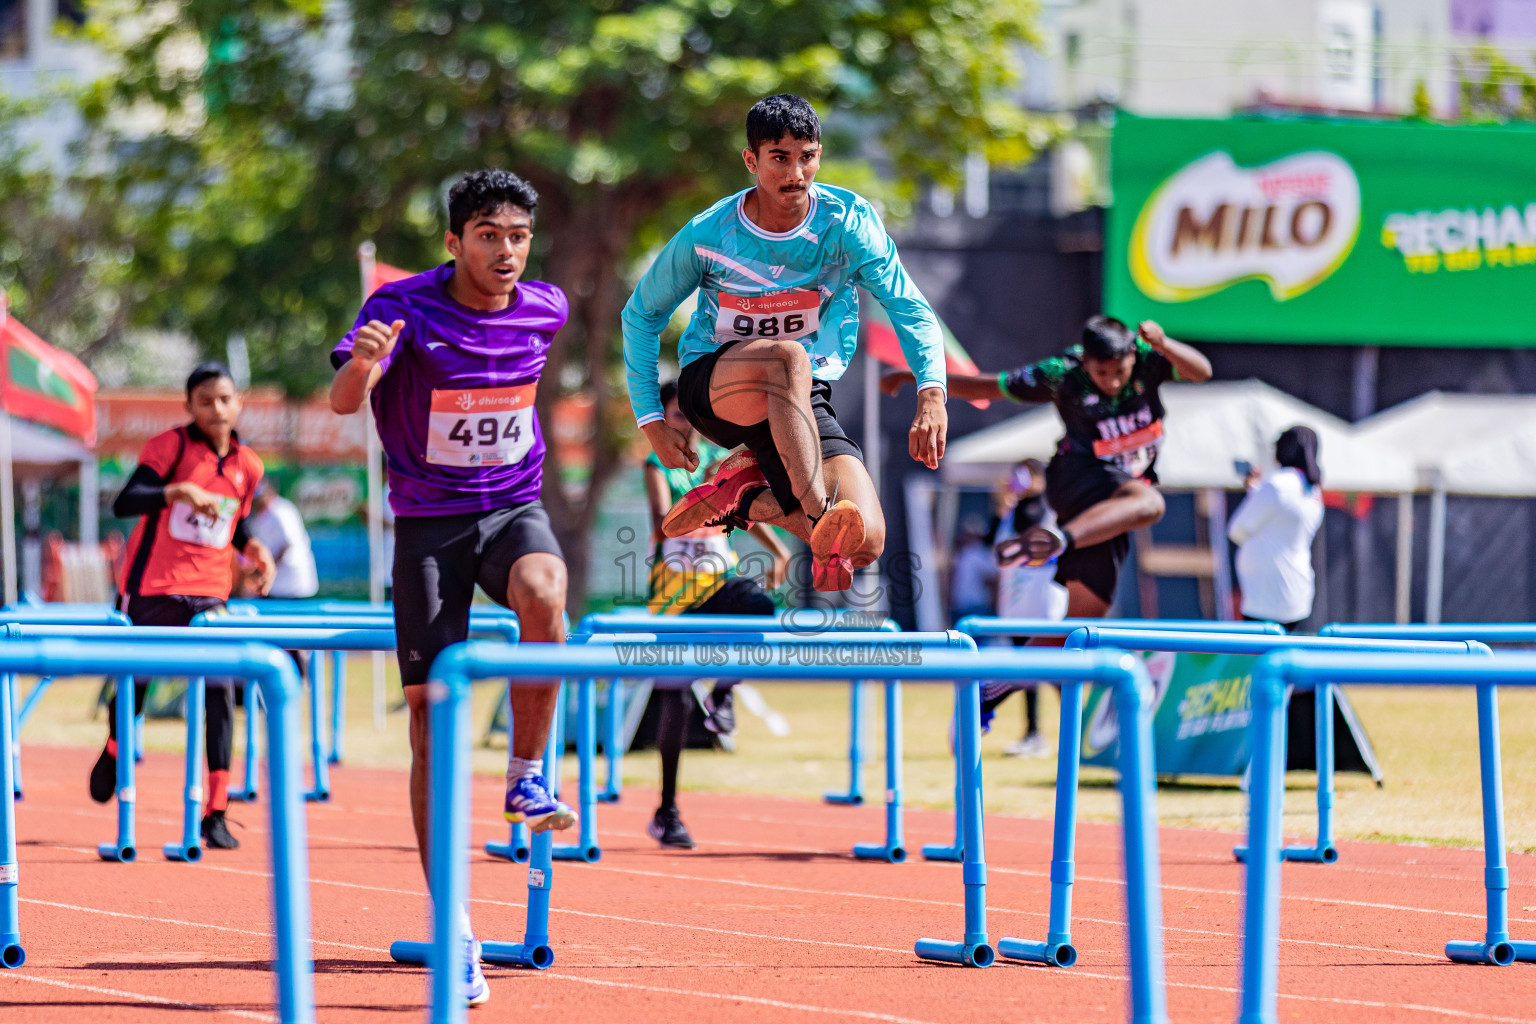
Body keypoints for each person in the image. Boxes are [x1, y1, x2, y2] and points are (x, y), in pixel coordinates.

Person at [328, 169, 573, 1008]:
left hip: (512, 507)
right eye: (488, 236)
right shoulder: (400, 308)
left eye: (518, 237)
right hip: (430, 528)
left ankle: (528, 773)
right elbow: (340, 402)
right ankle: (457, 927)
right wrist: (364, 367)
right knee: (432, 727)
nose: (505, 252)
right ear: (453, 242)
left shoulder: (548, 307)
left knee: (547, 591)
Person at [621, 93, 948, 593]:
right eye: (780, 158)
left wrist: (931, 392)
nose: (796, 172)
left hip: (799, 398)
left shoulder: (847, 224)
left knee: (868, 541)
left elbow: (909, 305)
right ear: (752, 160)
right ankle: (820, 514)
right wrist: (651, 419)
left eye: (808, 156)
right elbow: (641, 315)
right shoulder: (710, 233)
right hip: (715, 386)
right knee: (788, 356)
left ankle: (742, 497)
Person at [886, 316, 1211, 621]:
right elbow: (987, 387)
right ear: (1086, 362)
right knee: (1150, 504)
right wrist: (920, 381)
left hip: (1112, 501)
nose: (1112, 382)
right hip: (1077, 478)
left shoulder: (1146, 359)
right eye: (1101, 373)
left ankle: (1000, 683)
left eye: (1120, 372)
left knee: (1083, 620)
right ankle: (1058, 538)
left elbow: (1202, 372)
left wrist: (1165, 343)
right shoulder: (1062, 373)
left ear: (1131, 358)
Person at [91, 361, 277, 852]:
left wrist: (253, 548)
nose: (216, 409)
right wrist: (177, 490)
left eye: (224, 399)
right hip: (154, 586)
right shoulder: (169, 447)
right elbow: (125, 502)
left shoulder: (248, 466)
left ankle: (215, 811)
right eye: (205, 401)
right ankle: (115, 748)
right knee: (138, 682)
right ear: (189, 406)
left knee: (220, 691)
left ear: (239, 402)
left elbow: (233, 523)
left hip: (211, 591)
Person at [641, 380, 791, 849]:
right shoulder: (656, 465)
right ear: (665, 420)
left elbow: (747, 509)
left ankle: (723, 697)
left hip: (720, 583)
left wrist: (780, 550)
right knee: (676, 701)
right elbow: (664, 523)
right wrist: (719, 507)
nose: (687, 422)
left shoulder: (720, 464)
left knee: (760, 608)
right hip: (675, 597)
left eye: (691, 414)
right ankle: (667, 810)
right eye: (678, 415)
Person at [986, 459, 1067, 757]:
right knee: (1026, 673)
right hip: (1015, 607)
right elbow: (990, 544)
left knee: (1057, 673)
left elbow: (1036, 521)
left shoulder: (1047, 509)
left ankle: (1080, 733)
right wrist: (1001, 507)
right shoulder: (1011, 514)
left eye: (1024, 475)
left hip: (1044, 607)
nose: (1017, 481)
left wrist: (1029, 490)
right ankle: (1033, 733)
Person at [1228, 426, 1324, 632]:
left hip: (1266, 599)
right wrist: (1257, 490)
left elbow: (1236, 530)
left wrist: (1259, 490)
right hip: (1295, 595)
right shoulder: (1312, 489)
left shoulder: (1277, 484)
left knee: (1263, 662)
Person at [246, 485, 319, 599]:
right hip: (278, 583)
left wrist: (266, 567)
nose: (254, 501)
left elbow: (287, 544)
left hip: (292, 583)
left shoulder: (280, 511)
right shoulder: (260, 513)